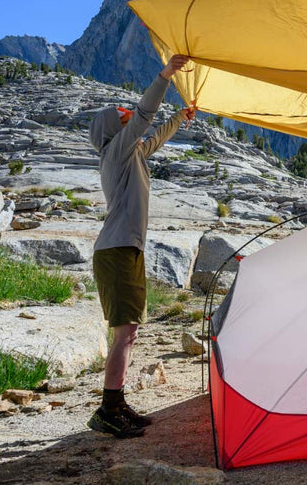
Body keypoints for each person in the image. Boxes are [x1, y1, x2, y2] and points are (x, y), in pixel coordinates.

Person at [86, 54, 192, 438]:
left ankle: (116, 402)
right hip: (115, 251)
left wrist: (182, 118)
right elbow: (146, 115)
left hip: (124, 250)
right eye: (122, 114)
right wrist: (165, 76)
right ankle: (107, 409)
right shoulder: (114, 153)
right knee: (125, 332)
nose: (128, 114)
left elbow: (156, 136)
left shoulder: (131, 156)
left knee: (128, 332)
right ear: (113, 128)